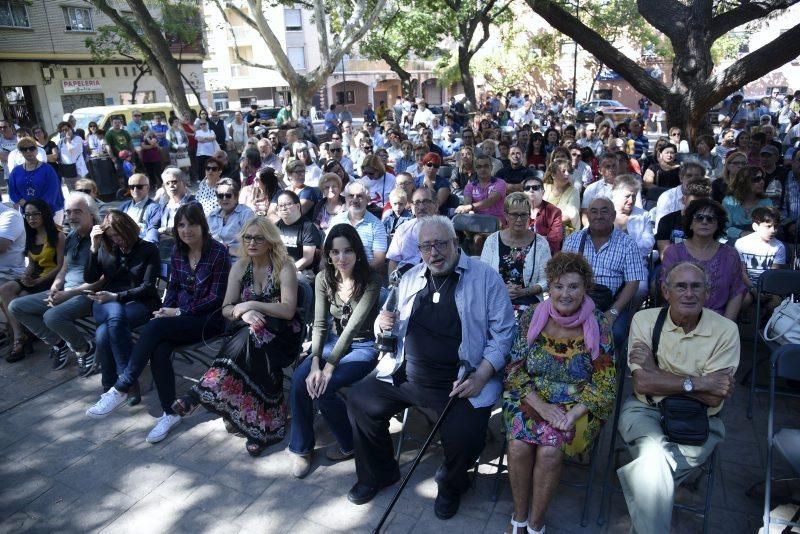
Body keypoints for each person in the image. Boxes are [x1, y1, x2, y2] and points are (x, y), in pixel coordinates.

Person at [345, 216, 515, 519]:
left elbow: (504, 335)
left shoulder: (486, 278)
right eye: (426, 246)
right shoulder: (410, 276)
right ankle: (380, 473)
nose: (434, 252)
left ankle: (451, 484)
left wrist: (482, 375)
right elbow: (386, 325)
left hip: (461, 382)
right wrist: (382, 327)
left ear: (455, 243)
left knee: (466, 435)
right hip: (405, 372)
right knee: (360, 400)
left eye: (440, 244)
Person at [85, 203, 231, 443]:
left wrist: (178, 311)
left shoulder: (218, 252)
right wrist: (166, 308)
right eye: (181, 225)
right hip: (178, 317)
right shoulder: (178, 251)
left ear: (202, 225)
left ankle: (122, 386)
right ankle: (170, 412)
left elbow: (216, 298)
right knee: (159, 348)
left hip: (208, 321)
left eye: (192, 224)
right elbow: (173, 286)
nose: (186, 230)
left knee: (155, 328)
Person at [618, 262, 738, 534]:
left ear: (708, 293)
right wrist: (701, 381)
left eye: (697, 286)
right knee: (654, 463)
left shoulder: (726, 330)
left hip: (700, 420)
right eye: (680, 286)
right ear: (665, 290)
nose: (689, 293)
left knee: (650, 468)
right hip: (645, 410)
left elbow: (713, 398)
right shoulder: (645, 320)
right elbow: (643, 381)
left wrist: (658, 372)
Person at [503, 252, 616, 534]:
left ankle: (535, 525)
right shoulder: (532, 316)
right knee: (518, 445)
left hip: (580, 404)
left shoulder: (599, 324)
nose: (565, 294)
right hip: (531, 396)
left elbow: (605, 384)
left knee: (551, 450)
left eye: (573, 286)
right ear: (549, 287)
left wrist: (572, 413)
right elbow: (514, 370)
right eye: (558, 286)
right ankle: (518, 519)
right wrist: (541, 406)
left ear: (585, 288)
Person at [172, 216, 304, 456]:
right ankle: (261, 429)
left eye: (258, 237)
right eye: (247, 237)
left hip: (283, 334)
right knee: (252, 336)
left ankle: (200, 393)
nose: (252, 242)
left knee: (253, 338)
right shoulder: (241, 267)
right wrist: (243, 314)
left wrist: (252, 304)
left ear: (270, 240)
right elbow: (226, 309)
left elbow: (287, 310)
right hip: (246, 332)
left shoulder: (285, 266)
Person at [289, 225, 381, 477]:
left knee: (324, 387)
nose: (341, 258)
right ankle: (301, 447)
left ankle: (350, 442)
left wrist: (327, 369)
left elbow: (353, 328)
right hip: (332, 340)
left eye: (348, 251)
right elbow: (319, 325)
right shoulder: (323, 279)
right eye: (335, 252)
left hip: (363, 346)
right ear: (327, 254)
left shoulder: (371, 279)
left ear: (358, 252)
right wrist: (316, 364)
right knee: (300, 378)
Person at [8, 193, 102, 370]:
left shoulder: (100, 236)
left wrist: (67, 294)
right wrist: (54, 288)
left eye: (77, 212)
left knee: (52, 316)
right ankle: (59, 343)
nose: (71, 216)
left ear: (91, 213)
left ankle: (84, 348)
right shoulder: (72, 236)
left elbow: (103, 280)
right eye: (68, 212)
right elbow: (64, 268)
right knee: (16, 306)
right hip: (65, 291)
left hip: (88, 294)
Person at [83, 210, 161, 398]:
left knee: (104, 332)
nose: (116, 240)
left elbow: (149, 288)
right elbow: (90, 278)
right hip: (104, 302)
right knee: (115, 316)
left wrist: (117, 297)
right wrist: (94, 248)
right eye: (111, 236)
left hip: (140, 303)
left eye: (118, 235)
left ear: (128, 229)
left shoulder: (148, 250)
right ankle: (127, 381)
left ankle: (111, 385)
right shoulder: (107, 248)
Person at [562, 198, 646, 349]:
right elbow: (562, 275)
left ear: (613, 216)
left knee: (613, 334)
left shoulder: (627, 243)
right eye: (594, 211)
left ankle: (608, 371)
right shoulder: (573, 240)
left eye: (604, 211)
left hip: (611, 303)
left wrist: (614, 312)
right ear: (587, 215)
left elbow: (633, 282)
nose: (599, 216)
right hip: (576, 302)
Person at [0, 200, 65, 361]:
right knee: (6, 289)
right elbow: (32, 263)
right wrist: (25, 275)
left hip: (52, 278)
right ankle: (19, 336)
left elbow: (60, 266)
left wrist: (38, 280)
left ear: (45, 214)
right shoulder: (31, 235)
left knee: (20, 298)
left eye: (36, 214)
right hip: (35, 277)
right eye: (27, 215)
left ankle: (36, 336)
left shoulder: (57, 235)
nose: (31, 218)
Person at [661, 198, 746, 320]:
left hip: (718, 321)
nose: (705, 222)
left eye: (711, 218)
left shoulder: (730, 255)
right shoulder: (673, 252)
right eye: (699, 217)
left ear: (718, 224)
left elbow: (736, 293)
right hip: (680, 319)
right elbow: (667, 289)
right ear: (690, 223)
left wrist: (727, 326)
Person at [480, 193, 550, 308]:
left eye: (523, 215)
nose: (519, 219)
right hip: (496, 300)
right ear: (506, 215)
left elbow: (547, 281)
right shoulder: (491, 241)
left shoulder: (541, 244)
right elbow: (483, 276)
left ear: (529, 215)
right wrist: (502, 290)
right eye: (514, 215)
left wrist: (523, 292)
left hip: (529, 302)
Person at [328, 181, 388, 272]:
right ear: (346, 199)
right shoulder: (336, 221)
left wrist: (356, 275)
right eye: (351, 196)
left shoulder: (376, 225)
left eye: (359, 196)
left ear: (368, 200)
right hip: (338, 274)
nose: (355, 200)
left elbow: (379, 260)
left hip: (366, 276)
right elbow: (326, 250)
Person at [735, 206, 786, 312]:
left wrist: (766, 290)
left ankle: (765, 325)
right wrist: (753, 289)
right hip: (746, 285)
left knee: (776, 304)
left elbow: (774, 273)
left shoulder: (779, 246)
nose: (773, 230)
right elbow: (741, 272)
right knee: (744, 300)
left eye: (775, 226)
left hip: (767, 286)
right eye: (768, 226)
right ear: (755, 226)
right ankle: (740, 323)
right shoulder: (741, 243)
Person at [8, 137, 65, 225]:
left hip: (49, 211)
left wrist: (35, 207)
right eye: (24, 149)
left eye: (31, 148)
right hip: (28, 214)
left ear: (37, 150)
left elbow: (52, 192)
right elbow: (12, 191)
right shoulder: (16, 171)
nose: (28, 151)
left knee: (52, 237)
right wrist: (22, 202)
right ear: (20, 152)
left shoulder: (47, 169)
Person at [655, 178, 712, 257]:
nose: (697, 207)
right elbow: (665, 255)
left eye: (702, 203)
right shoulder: (667, 221)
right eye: (693, 203)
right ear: (683, 199)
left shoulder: (711, 222)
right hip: (672, 265)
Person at [275, 190, 322, 283]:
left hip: (302, 271)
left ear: (297, 206)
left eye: (288, 204)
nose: (284, 208)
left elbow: (307, 259)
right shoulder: (276, 227)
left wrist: (286, 272)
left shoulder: (308, 227)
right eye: (281, 206)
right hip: (278, 269)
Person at [722, 166, 773, 242]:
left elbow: (770, 227)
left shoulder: (766, 202)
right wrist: (742, 233)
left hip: (759, 241)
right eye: (756, 179)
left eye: (762, 178)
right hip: (734, 241)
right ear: (743, 181)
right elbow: (725, 227)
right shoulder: (729, 201)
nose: (762, 182)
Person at [455, 154, 508, 224]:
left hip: (496, 221)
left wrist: (470, 207)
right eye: (479, 167)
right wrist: (470, 210)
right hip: (477, 221)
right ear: (475, 169)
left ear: (491, 168)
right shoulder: (469, 186)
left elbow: (490, 201)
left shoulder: (500, 183)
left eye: (486, 166)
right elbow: (467, 204)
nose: (482, 169)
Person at [522, 176, 563, 255]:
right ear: (523, 193)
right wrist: (542, 238)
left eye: (535, 187)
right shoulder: (517, 210)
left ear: (543, 192)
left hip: (545, 254)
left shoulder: (554, 212)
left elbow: (554, 239)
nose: (531, 190)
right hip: (520, 253)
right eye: (527, 188)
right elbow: (511, 234)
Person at [119, 173, 162, 243]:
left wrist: (145, 248)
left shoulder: (155, 208)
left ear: (147, 188)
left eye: (139, 186)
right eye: (132, 187)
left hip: (142, 246)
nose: (135, 190)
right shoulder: (123, 207)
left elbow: (153, 230)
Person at [543, 158, 581, 236]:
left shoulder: (574, 191)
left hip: (564, 233)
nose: (567, 174)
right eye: (563, 171)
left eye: (569, 171)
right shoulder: (544, 187)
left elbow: (571, 215)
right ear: (553, 175)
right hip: (542, 229)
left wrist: (547, 221)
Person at [158, 167, 196, 235]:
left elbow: (194, 229)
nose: (171, 186)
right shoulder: (165, 206)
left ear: (184, 183)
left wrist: (168, 230)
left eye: (174, 182)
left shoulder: (194, 204)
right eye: (167, 183)